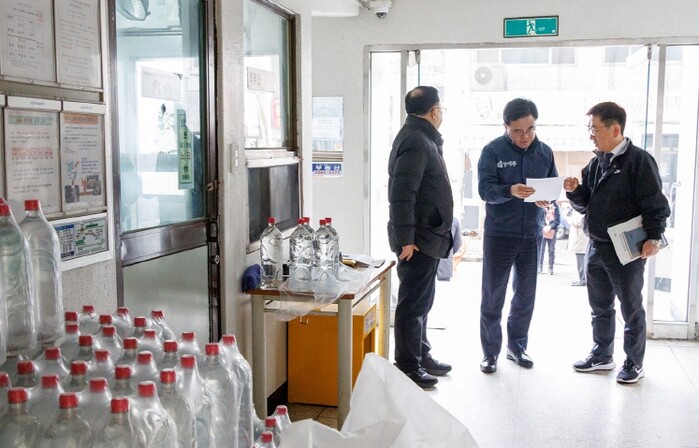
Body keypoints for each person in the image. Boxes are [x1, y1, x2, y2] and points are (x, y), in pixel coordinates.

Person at [564, 101, 670, 384]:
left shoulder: (639, 161)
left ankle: (634, 362)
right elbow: (586, 205)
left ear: (615, 129)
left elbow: (655, 204)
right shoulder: (596, 163)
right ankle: (602, 355)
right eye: (590, 129)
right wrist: (574, 192)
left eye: (594, 129)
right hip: (596, 245)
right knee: (600, 306)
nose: (591, 135)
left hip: (626, 248)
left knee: (631, 307)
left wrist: (653, 237)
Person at [477, 98, 558, 374]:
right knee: (493, 297)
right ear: (506, 126)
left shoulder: (544, 152)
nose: (525, 136)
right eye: (518, 131)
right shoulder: (492, 151)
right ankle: (490, 353)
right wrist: (509, 190)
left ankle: (517, 347)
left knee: (525, 296)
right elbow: (485, 190)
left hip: (532, 235)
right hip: (500, 234)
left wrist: (547, 199)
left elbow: (552, 188)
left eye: (530, 129)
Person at [387, 86, 454, 389]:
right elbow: (402, 194)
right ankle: (407, 365)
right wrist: (406, 239)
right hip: (417, 240)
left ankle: (421, 354)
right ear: (435, 111)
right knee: (413, 305)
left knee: (422, 302)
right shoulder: (416, 139)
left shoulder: (421, 137)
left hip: (426, 236)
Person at [437, 217, 464, 281]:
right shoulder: (454, 220)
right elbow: (458, 243)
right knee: (444, 285)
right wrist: (449, 253)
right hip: (445, 263)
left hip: (427, 264)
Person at [537, 201, 560, 275]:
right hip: (542, 230)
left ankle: (550, 267)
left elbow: (557, 221)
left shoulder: (555, 207)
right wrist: (543, 226)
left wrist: (550, 226)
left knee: (551, 250)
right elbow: (539, 218)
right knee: (541, 249)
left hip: (552, 230)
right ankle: (540, 267)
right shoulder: (541, 204)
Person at [568, 209, 589, 286]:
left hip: (580, 239)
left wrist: (569, 218)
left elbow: (576, 221)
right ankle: (582, 278)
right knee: (580, 260)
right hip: (580, 239)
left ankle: (583, 279)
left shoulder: (580, 211)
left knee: (581, 261)